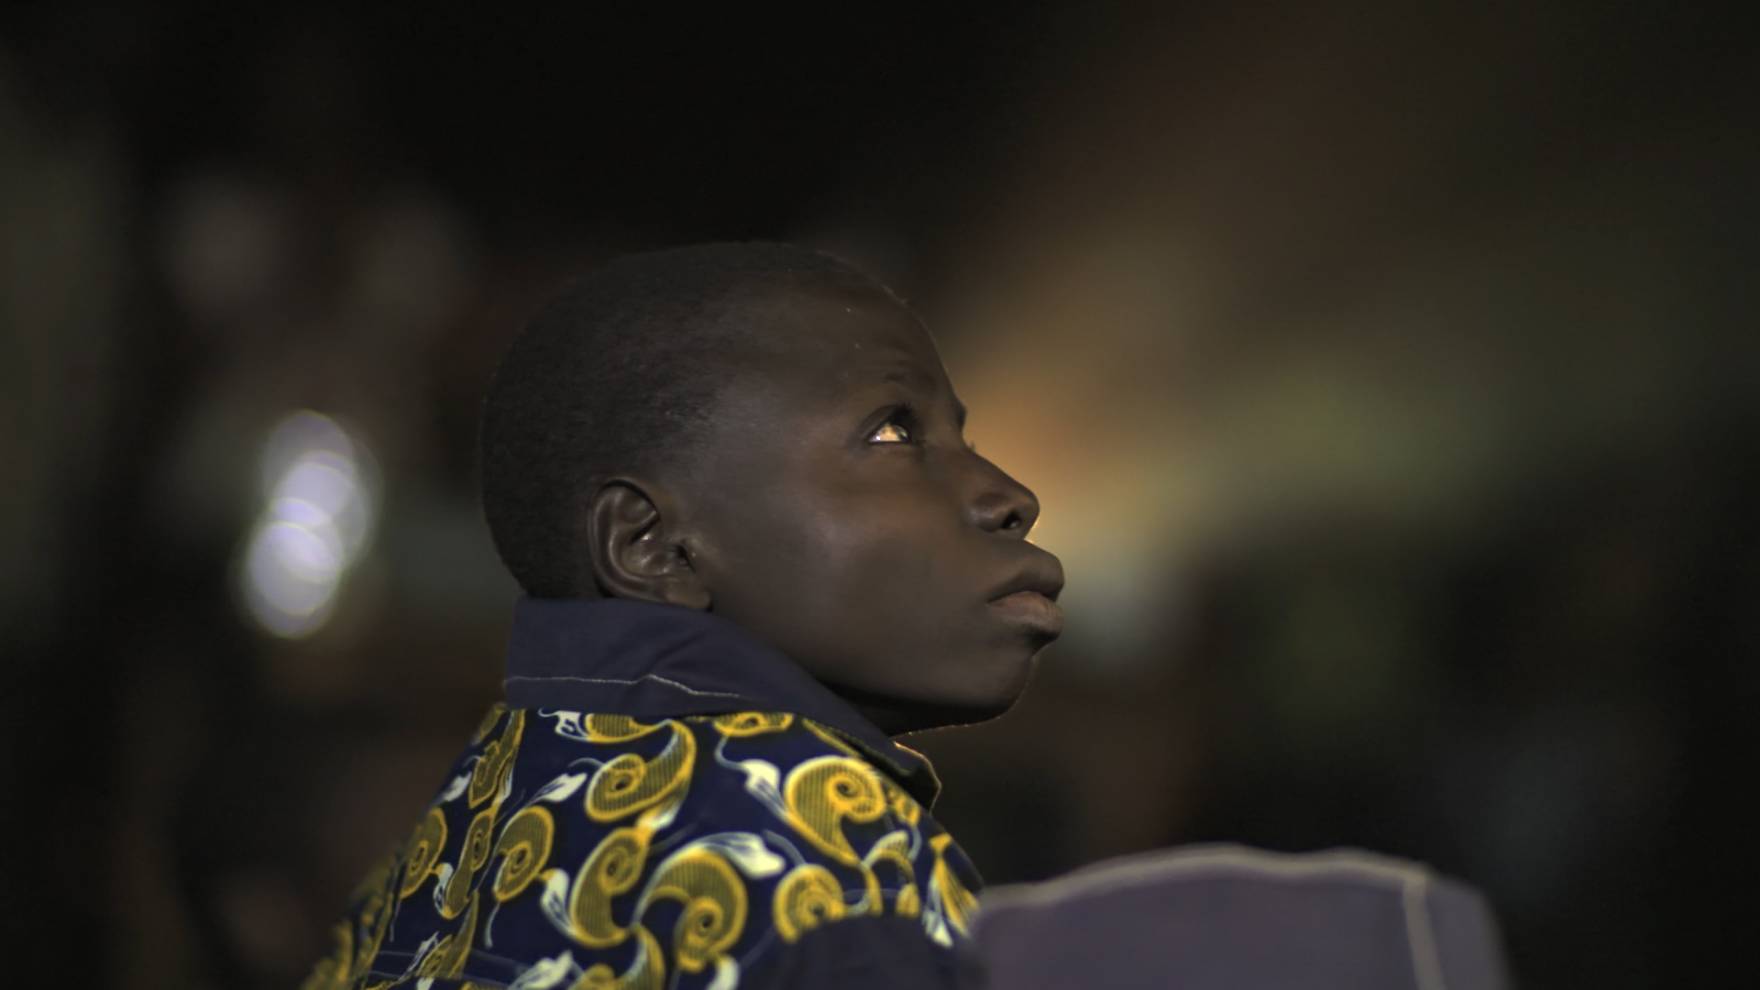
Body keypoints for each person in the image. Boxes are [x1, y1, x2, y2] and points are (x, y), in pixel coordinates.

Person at [300, 242, 1065, 989]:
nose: (1010, 497)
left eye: (962, 438)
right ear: (651, 546)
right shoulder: (819, 847)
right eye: (894, 432)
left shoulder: (447, 848)